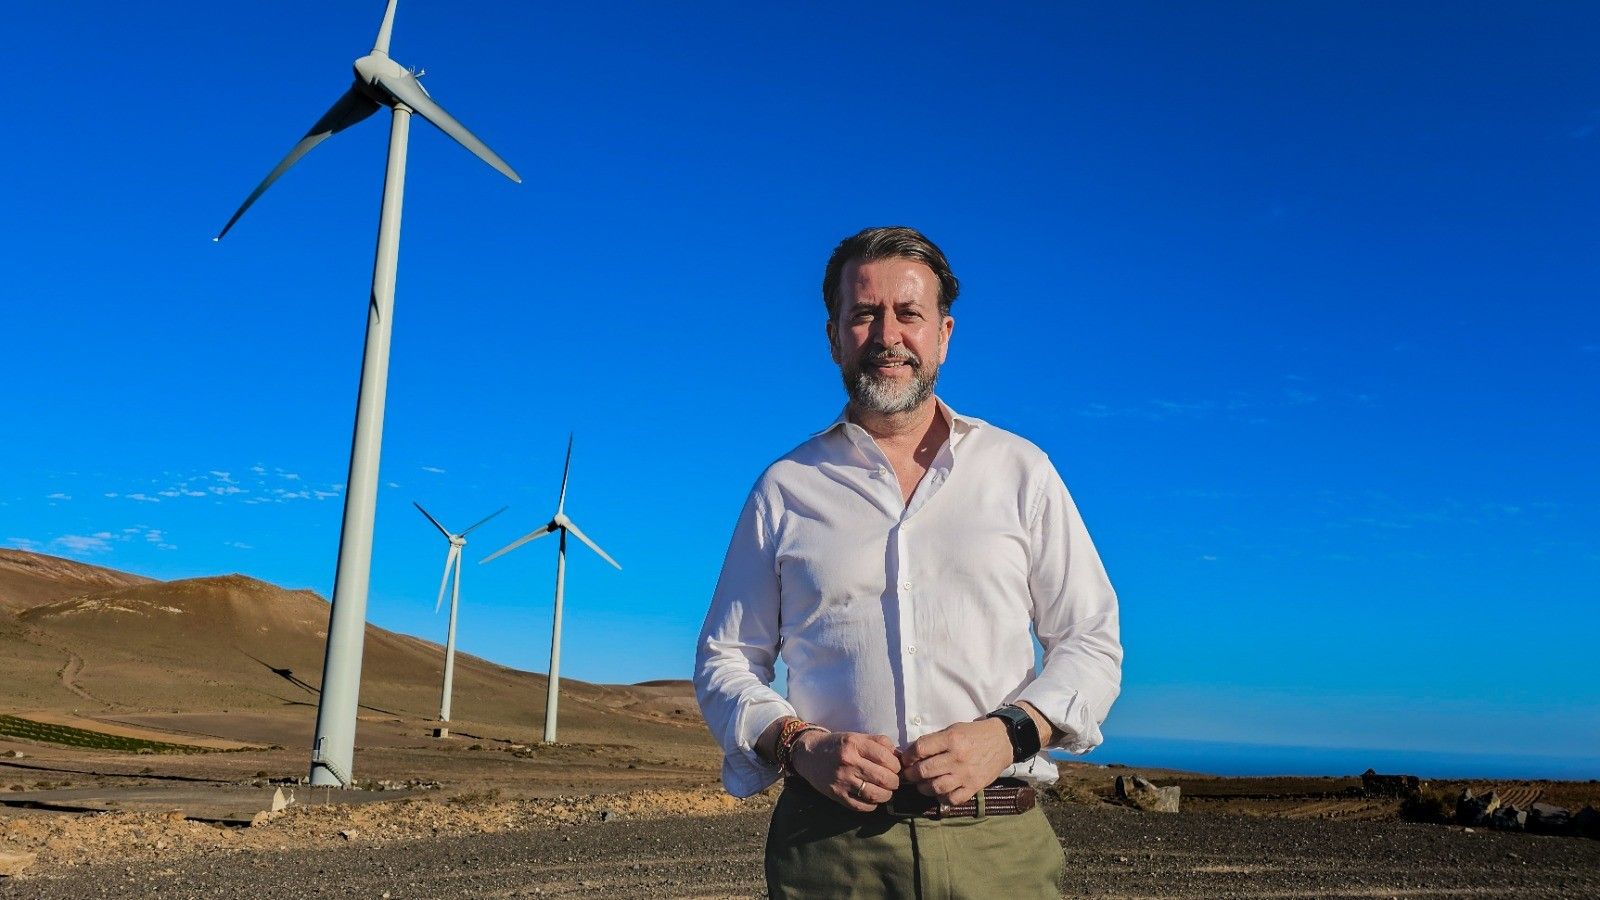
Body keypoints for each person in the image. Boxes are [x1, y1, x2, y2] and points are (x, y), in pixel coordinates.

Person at [694, 226, 1122, 898]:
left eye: (909, 314)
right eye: (864, 314)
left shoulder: (1020, 472)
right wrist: (797, 743)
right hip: (830, 857)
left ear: (944, 334)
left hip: (999, 851)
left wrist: (1009, 734)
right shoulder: (785, 487)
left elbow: (1091, 640)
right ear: (834, 335)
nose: (887, 335)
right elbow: (725, 659)